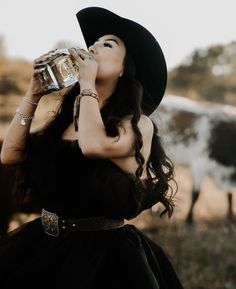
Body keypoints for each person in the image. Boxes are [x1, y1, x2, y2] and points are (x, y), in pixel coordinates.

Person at [0, 6, 184, 289]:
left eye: (107, 44)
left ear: (124, 69)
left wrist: (87, 84)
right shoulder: (67, 117)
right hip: (44, 246)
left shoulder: (136, 124)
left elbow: (92, 147)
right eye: (93, 43)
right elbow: (10, 154)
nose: (93, 48)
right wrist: (33, 94)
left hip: (105, 257)